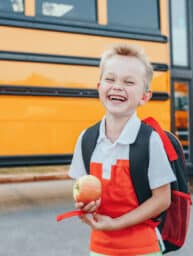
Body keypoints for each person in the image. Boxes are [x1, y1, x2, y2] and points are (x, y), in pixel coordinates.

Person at [69, 43, 176, 256]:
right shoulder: (87, 139)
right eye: (110, 79)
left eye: (128, 82)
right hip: (100, 248)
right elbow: (80, 187)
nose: (118, 86)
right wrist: (86, 204)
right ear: (99, 87)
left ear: (145, 96)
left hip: (142, 249)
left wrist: (117, 224)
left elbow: (162, 199)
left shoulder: (150, 141)